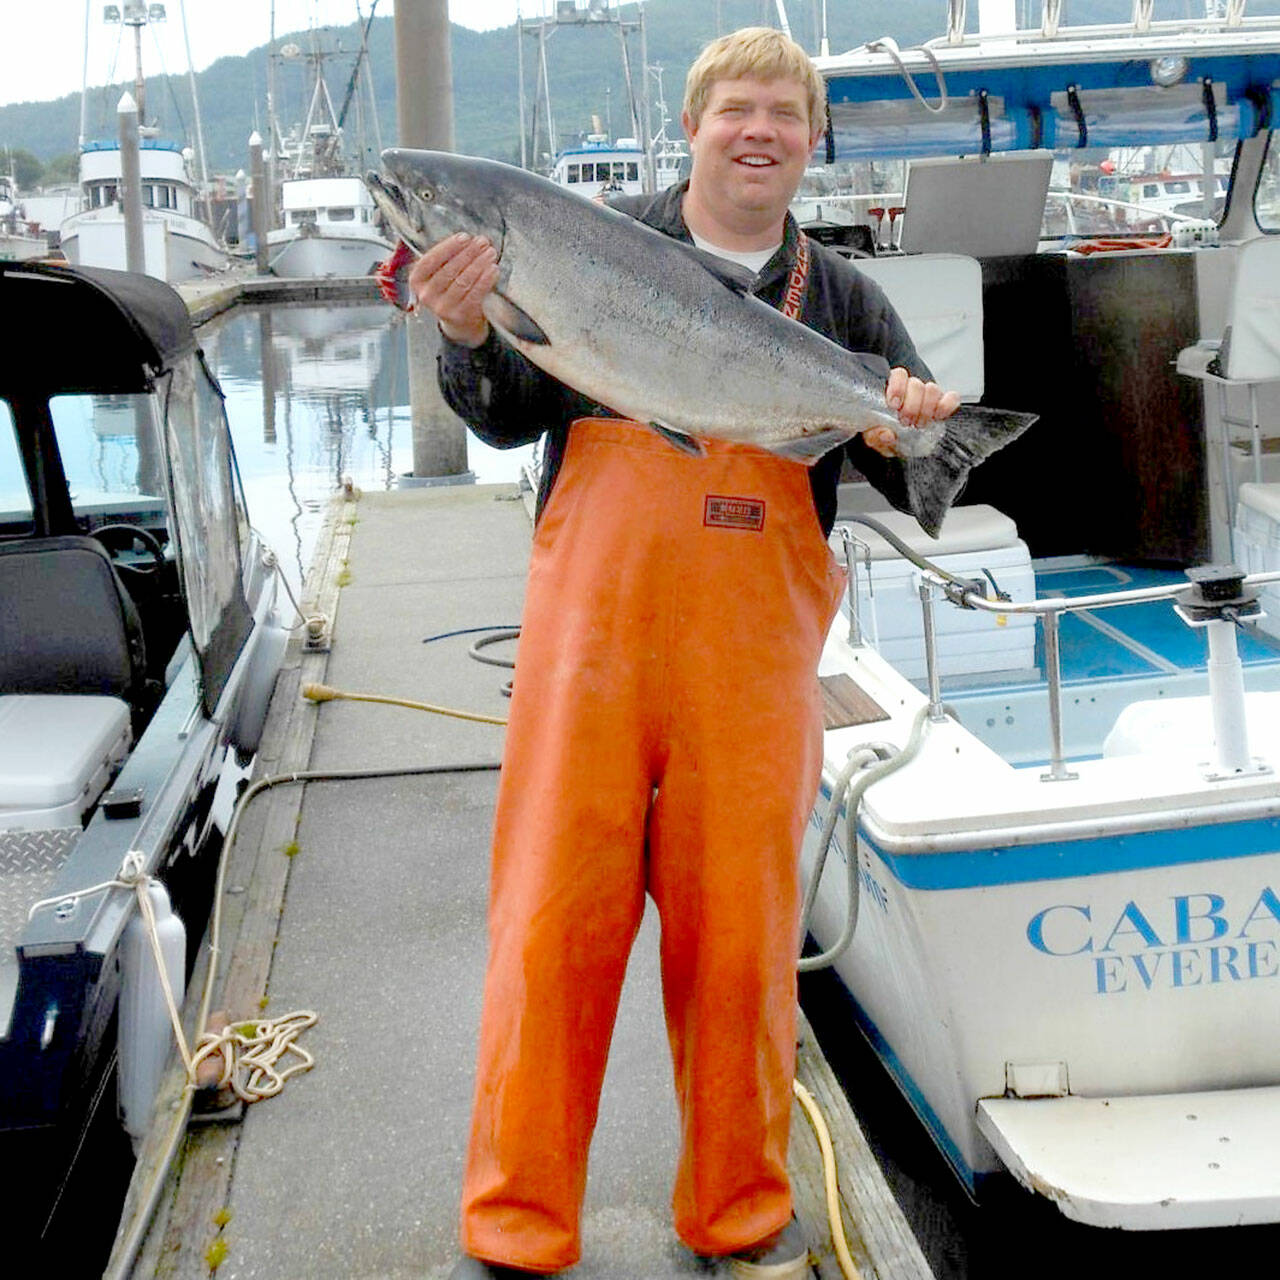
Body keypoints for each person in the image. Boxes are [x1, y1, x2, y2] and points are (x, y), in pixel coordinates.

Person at [408, 26, 959, 1280]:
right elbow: (500, 417)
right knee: (550, 929)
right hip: (586, 655)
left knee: (741, 944)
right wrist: (465, 332)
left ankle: (738, 1213)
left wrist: (907, 425)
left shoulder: (846, 295)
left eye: (783, 112)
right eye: (735, 110)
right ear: (695, 124)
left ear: (809, 141)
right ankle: (513, 1226)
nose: (757, 131)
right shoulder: (585, 244)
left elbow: (889, 445)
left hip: (749, 667)